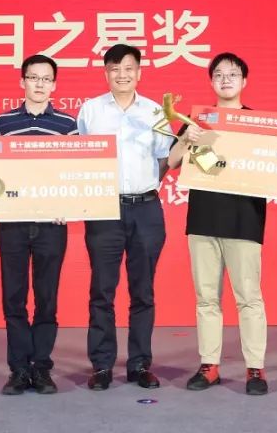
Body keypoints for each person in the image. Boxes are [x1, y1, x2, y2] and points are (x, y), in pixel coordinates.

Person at [167, 51, 277, 396]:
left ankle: (255, 368)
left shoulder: (257, 125)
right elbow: (173, 162)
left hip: (244, 221)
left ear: (244, 81)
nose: (225, 80)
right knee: (206, 298)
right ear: (211, 81)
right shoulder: (198, 121)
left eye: (232, 74)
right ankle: (209, 366)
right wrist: (187, 138)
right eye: (218, 74)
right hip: (202, 221)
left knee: (249, 297)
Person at [77, 43, 172, 391]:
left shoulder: (155, 111)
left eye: (129, 68)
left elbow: (164, 158)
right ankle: (102, 365)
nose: (122, 74)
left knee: (143, 290)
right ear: (106, 73)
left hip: (146, 208)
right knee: (102, 290)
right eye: (115, 68)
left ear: (139, 72)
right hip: (104, 209)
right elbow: (79, 159)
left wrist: (147, 185)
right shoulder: (91, 110)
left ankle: (140, 364)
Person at [0, 54, 77, 395]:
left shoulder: (68, 125)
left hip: (51, 224)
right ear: (22, 81)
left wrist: (69, 204)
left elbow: (76, 174)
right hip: (13, 223)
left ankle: (41, 368)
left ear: (54, 85)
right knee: (13, 298)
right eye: (33, 77)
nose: (39, 84)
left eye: (46, 79)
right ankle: (19, 370)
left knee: (47, 298)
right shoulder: (3, 123)